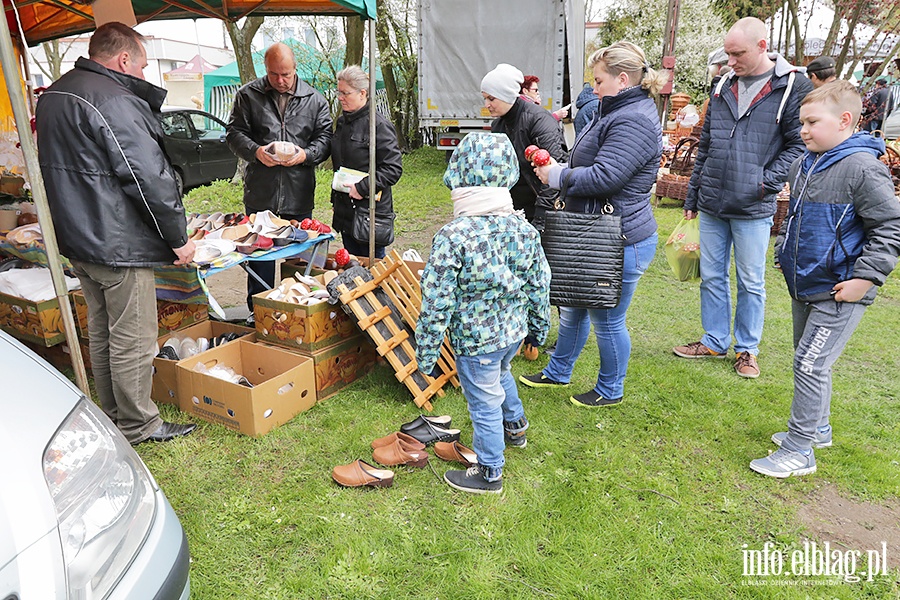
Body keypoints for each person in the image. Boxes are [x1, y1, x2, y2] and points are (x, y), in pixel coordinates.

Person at [35, 22, 196, 445]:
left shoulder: (56, 93)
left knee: (105, 330)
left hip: (79, 234)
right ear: (124, 59)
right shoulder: (112, 98)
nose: (143, 75)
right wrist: (178, 238)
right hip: (116, 239)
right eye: (142, 66)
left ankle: (112, 413)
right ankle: (139, 423)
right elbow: (148, 177)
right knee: (133, 337)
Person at [750, 81, 900, 478]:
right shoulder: (805, 162)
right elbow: (797, 217)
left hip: (841, 290)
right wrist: (785, 252)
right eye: (801, 122)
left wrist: (864, 279)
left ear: (845, 120)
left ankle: (800, 451)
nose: (803, 130)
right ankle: (818, 429)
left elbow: (890, 226)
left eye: (812, 122)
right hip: (807, 283)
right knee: (811, 360)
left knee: (810, 364)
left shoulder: (864, 168)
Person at [519, 41, 666, 408]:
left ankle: (610, 389)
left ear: (622, 78)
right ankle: (558, 371)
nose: (594, 87)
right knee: (573, 305)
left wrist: (557, 175)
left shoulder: (632, 119)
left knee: (607, 318)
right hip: (600, 233)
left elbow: (606, 177)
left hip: (620, 238)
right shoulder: (616, 109)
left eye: (598, 80)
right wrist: (562, 168)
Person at [673, 17, 813, 378]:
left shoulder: (793, 85)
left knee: (751, 280)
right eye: (728, 53)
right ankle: (714, 340)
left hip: (753, 204)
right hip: (712, 202)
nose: (731, 60)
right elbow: (705, 143)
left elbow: (798, 144)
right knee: (713, 276)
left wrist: (764, 183)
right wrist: (693, 194)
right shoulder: (723, 84)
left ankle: (747, 349)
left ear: (763, 46)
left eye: (738, 53)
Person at [415, 132, 551, 494]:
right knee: (502, 372)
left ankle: (490, 472)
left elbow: (436, 299)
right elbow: (539, 283)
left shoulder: (453, 235)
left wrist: (426, 354)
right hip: (512, 332)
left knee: (484, 400)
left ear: (458, 174)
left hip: (477, 341)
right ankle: (517, 426)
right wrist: (538, 329)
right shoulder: (522, 229)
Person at [226, 42, 333, 315]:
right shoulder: (247, 95)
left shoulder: (314, 99)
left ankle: (295, 313)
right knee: (259, 261)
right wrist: (256, 151)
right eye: (275, 75)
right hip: (261, 193)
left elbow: (325, 140)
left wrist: (305, 155)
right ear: (266, 69)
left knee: (297, 262)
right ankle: (258, 313)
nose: (281, 80)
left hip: (299, 193)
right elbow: (234, 133)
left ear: (295, 68)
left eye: (286, 74)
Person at [330, 65, 403, 260]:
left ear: (363, 93)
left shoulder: (378, 125)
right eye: (339, 92)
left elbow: (393, 168)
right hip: (346, 211)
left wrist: (362, 188)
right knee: (352, 269)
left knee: (373, 273)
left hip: (370, 215)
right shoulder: (342, 123)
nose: (340, 97)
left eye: (345, 93)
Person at [483, 63, 567, 226]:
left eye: (491, 98)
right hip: (511, 210)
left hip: (541, 209)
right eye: (485, 98)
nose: (486, 104)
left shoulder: (539, 119)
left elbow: (555, 170)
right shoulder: (498, 125)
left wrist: (541, 218)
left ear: (506, 94)